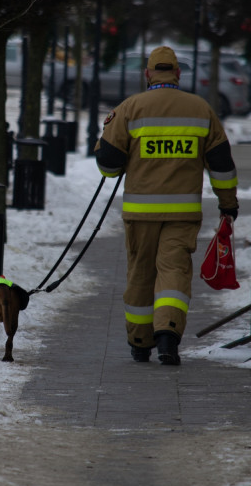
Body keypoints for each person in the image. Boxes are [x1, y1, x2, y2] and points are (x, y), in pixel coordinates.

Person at [95, 46, 238, 365]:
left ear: (147, 74)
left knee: (141, 274)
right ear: (177, 74)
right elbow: (222, 166)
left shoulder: (130, 108)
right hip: (182, 215)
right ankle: (168, 335)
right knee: (173, 271)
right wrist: (228, 205)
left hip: (140, 215)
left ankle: (140, 341)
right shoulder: (200, 110)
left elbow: (108, 167)